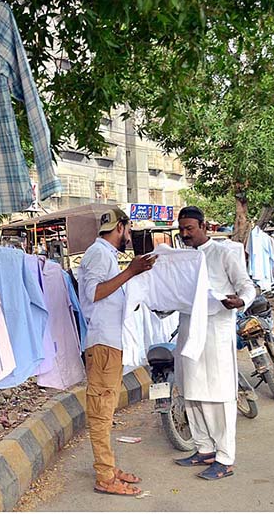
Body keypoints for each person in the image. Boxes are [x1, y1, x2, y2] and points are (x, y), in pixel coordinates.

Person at [77, 208, 157, 496]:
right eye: (128, 229)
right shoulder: (99, 254)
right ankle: (104, 476)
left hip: (109, 343)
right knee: (100, 411)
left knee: (106, 408)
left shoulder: (105, 254)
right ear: (121, 227)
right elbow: (94, 293)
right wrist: (130, 271)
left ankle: (108, 468)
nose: (128, 235)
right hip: (102, 344)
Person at [174, 206, 256, 481]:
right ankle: (204, 449)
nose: (185, 234)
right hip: (188, 330)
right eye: (181, 229)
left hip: (215, 332)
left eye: (190, 229)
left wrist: (240, 301)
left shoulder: (224, 252)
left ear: (204, 226)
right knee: (191, 392)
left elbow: (246, 285)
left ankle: (225, 458)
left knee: (218, 396)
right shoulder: (181, 258)